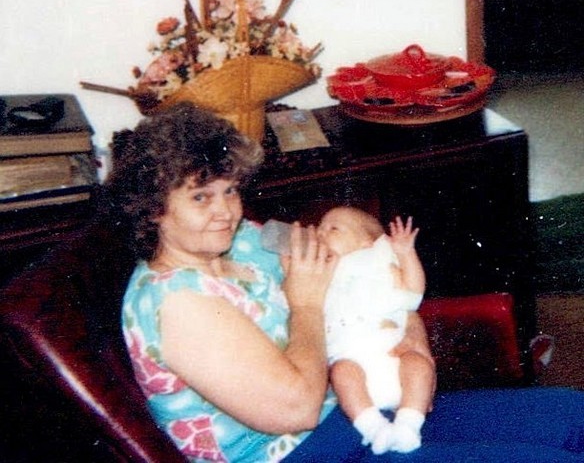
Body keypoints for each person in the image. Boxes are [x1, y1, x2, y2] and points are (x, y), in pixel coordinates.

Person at [105, 102, 584, 463]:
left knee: (572, 417)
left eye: (229, 190)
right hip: (306, 450)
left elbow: (360, 263)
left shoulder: (244, 239)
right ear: (154, 208)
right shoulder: (176, 301)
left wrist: (408, 330)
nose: (225, 211)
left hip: (366, 407)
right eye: (200, 198)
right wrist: (307, 306)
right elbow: (295, 411)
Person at [318, 206, 435, 454]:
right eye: (320, 229)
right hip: (352, 364)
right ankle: (375, 429)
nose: (320, 234)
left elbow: (412, 293)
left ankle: (408, 425)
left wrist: (406, 254)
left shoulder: (379, 264)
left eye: (333, 229)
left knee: (418, 365)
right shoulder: (319, 274)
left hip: (395, 357)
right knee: (341, 373)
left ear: (366, 242)